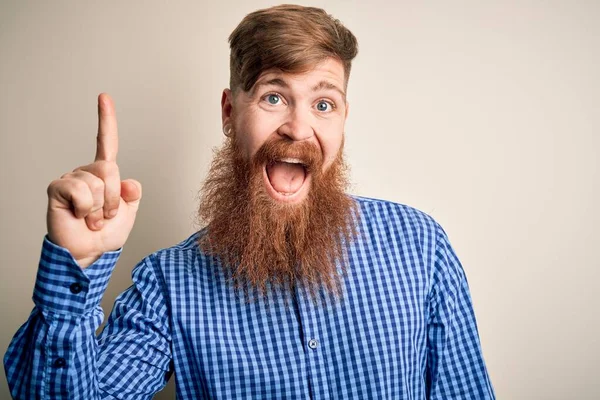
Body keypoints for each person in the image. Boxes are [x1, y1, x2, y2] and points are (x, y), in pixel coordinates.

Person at [4, 4, 495, 399]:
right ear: (228, 111)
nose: (299, 128)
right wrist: (78, 266)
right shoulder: (169, 284)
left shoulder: (419, 246)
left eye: (324, 104)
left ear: (344, 120)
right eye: (273, 97)